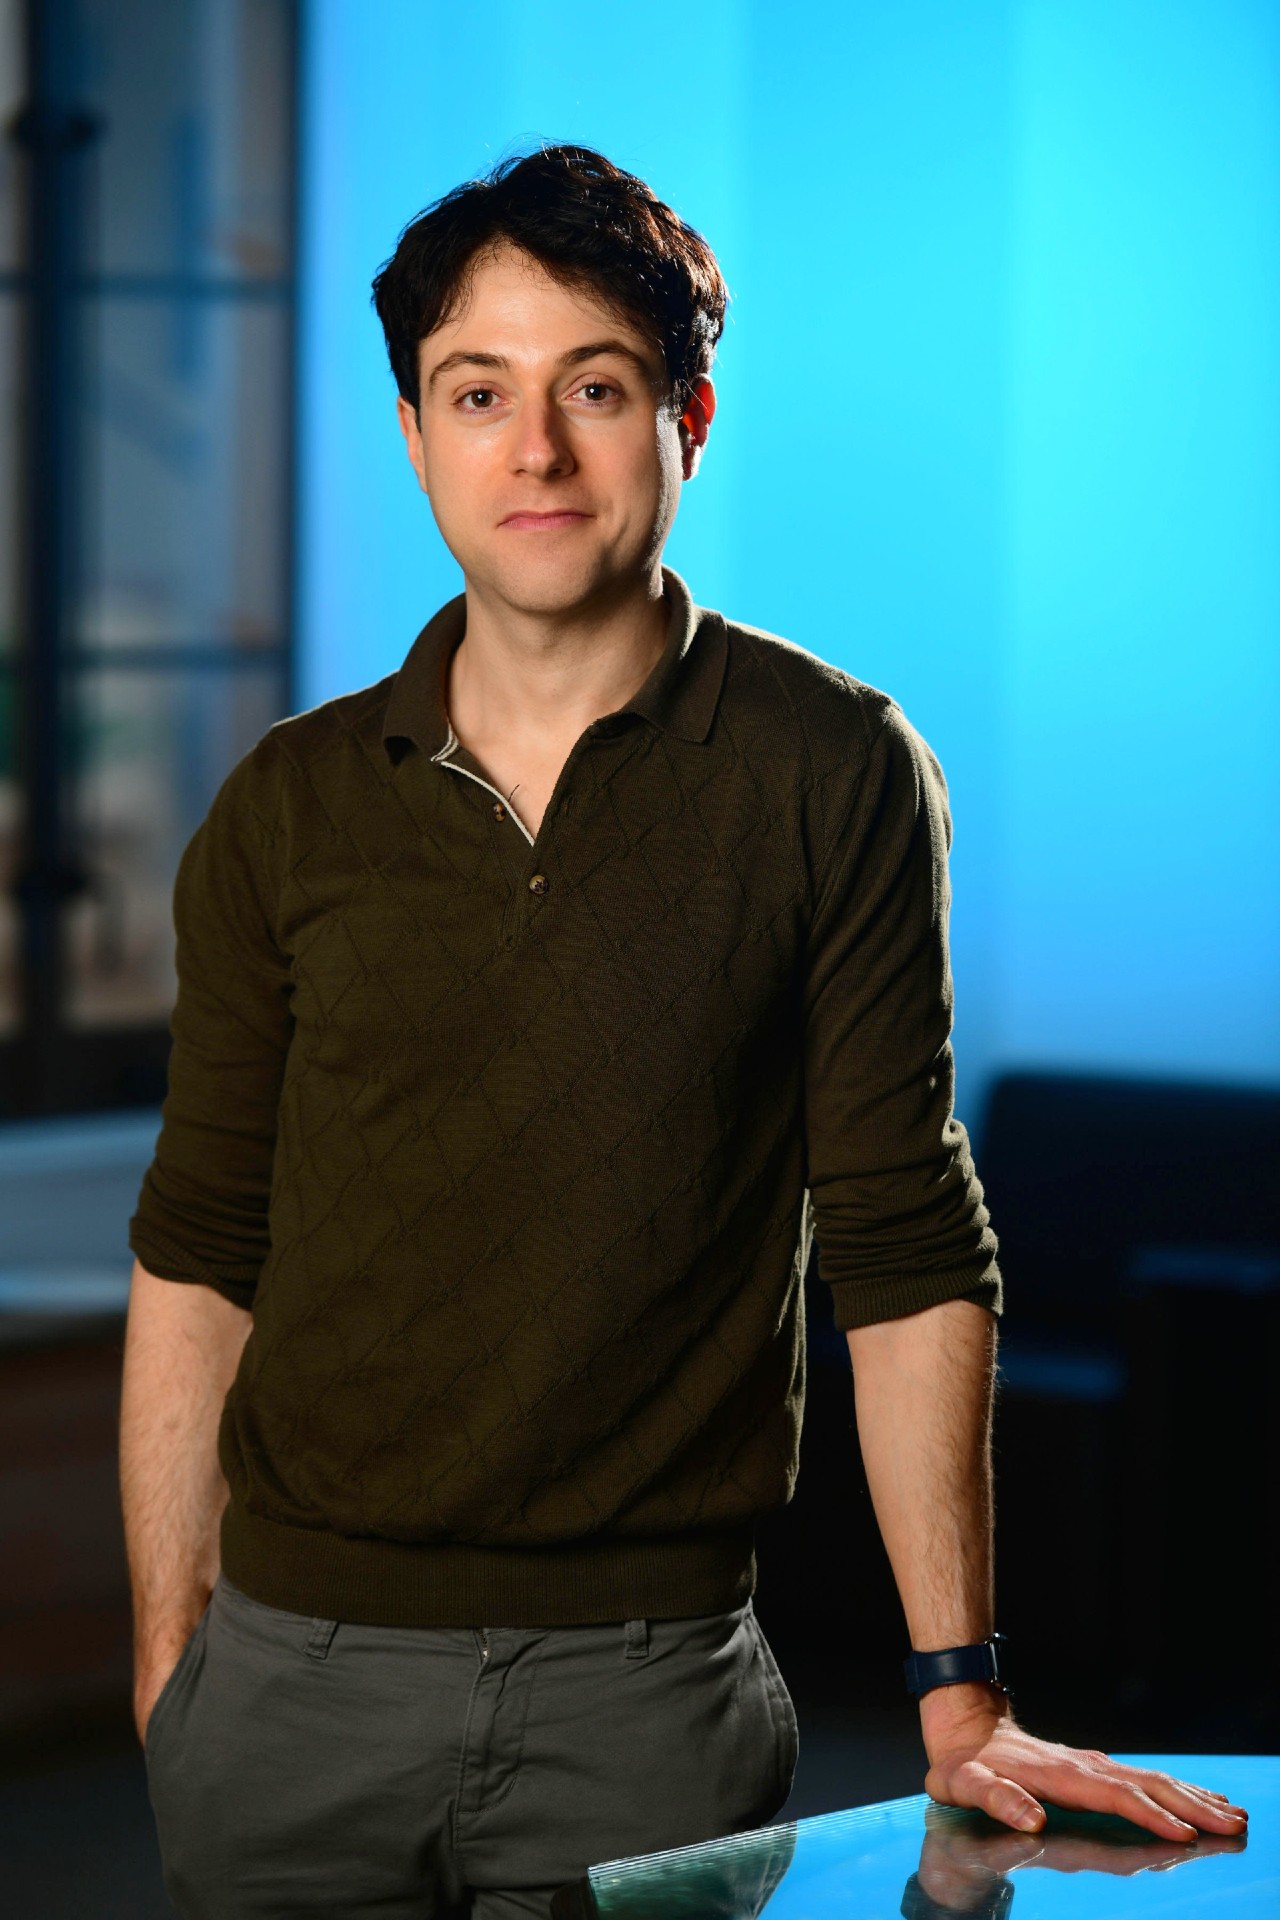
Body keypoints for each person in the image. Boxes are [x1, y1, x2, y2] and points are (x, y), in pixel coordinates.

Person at [120, 144, 1247, 1920]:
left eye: (597, 388)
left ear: (688, 418)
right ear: (415, 434)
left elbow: (903, 1240)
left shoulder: (835, 770)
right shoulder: (288, 805)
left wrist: (961, 1691)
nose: (536, 449)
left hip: (643, 1698)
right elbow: (199, 1249)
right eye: (476, 394)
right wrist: (172, 1665)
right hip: (287, 1691)